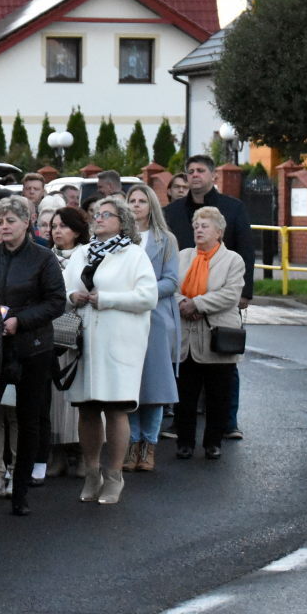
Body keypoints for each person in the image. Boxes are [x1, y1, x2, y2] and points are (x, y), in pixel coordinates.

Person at [63, 193, 156, 504]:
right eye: (97, 214)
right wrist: (71, 297)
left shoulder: (134, 255)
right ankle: (92, 473)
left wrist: (108, 299)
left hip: (119, 344)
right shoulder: (82, 253)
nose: (98, 219)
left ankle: (114, 475)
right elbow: (62, 287)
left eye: (106, 215)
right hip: (84, 342)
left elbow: (148, 297)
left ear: (122, 222)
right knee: (87, 409)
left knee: (115, 409)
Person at [0, 196, 65, 516]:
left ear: (27, 222)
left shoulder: (43, 257)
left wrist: (20, 321)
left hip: (33, 347)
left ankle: (21, 490)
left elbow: (56, 302)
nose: (3, 227)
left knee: (29, 419)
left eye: (10, 221)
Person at [163, 154, 254, 441]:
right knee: (186, 373)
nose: (194, 175)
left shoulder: (233, 207)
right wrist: (181, 302)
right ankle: (181, 427)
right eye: (190, 171)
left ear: (213, 175)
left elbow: (246, 250)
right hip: (183, 298)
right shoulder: (173, 211)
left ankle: (228, 422)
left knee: (224, 366)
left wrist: (245, 293)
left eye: (200, 170)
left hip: (220, 296)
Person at [175, 207, 246, 459]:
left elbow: (230, 295)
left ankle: (213, 442)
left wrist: (197, 304)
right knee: (185, 394)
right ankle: (184, 442)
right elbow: (171, 287)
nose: (199, 230)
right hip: (186, 338)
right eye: (196, 226)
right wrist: (183, 303)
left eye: (205, 226)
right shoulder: (183, 256)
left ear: (219, 232)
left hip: (218, 337)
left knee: (218, 394)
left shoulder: (233, 260)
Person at [124, 184, 180, 474]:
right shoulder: (121, 240)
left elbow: (171, 281)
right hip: (125, 317)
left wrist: (142, 293)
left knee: (155, 384)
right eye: (131, 200)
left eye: (141, 201)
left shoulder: (165, 239)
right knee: (129, 383)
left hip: (155, 316)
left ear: (151, 206)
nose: (136, 205)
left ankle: (149, 445)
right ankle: (132, 443)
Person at [45, 206, 88, 476]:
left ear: (77, 230)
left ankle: (84, 454)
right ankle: (58, 455)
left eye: (63, 226)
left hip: (82, 330)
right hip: (52, 331)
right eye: (53, 226)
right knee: (55, 396)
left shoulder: (88, 255)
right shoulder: (45, 257)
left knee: (80, 393)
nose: (57, 231)